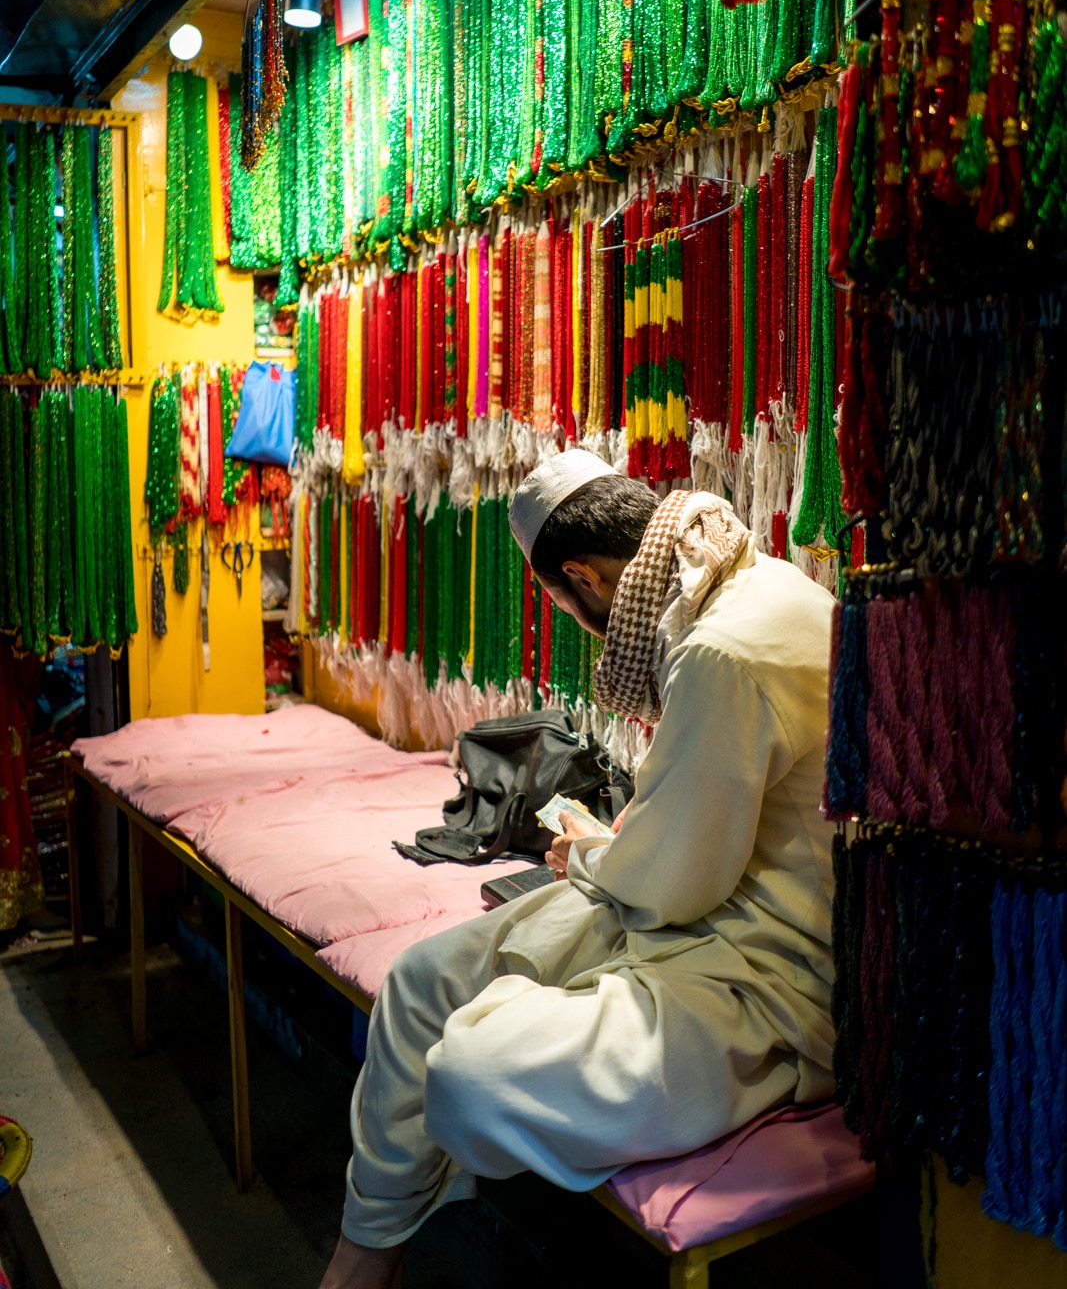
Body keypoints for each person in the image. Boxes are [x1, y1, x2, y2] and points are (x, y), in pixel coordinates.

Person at [320, 450, 836, 1289]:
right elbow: (684, 837)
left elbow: (675, 883)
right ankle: (364, 1252)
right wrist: (611, 852)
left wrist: (591, 851)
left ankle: (517, 1040)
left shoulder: (719, 650)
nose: (572, 622)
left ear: (582, 577)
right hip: (686, 913)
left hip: (765, 969)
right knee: (420, 980)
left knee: (466, 1077)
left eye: (562, 605)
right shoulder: (735, 580)